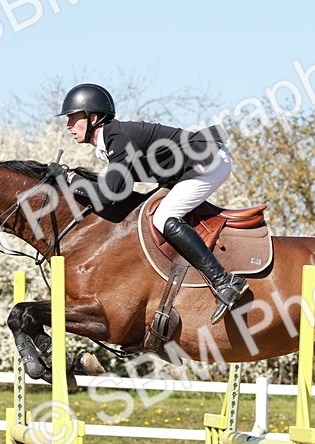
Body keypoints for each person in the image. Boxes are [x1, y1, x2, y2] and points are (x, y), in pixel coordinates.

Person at [58, 83, 248, 324]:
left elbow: (110, 194)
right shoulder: (109, 143)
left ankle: (225, 281)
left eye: (73, 118)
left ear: (93, 117)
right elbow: (119, 188)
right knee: (145, 215)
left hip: (207, 164)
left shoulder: (118, 139)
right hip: (182, 171)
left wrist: (72, 180)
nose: (68, 126)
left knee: (163, 217)